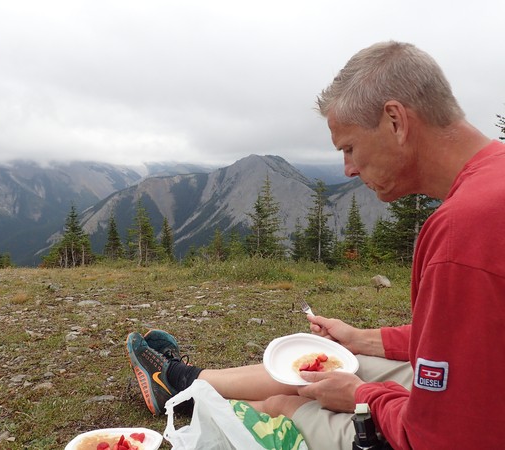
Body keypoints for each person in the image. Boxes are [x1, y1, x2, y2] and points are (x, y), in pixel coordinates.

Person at [126, 41, 505, 449]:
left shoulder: (463, 232)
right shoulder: (493, 178)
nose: (349, 168)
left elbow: (439, 437)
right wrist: (360, 338)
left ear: (395, 121)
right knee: (324, 368)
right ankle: (182, 382)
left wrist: (363, 396)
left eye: (349, 147)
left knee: (283, 403)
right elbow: (469, 342)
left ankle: (209, 402)